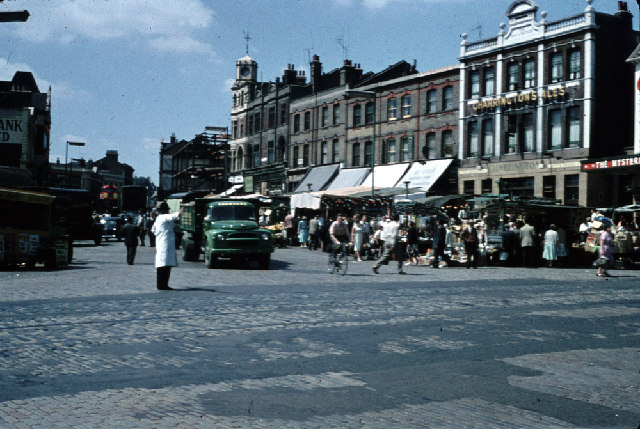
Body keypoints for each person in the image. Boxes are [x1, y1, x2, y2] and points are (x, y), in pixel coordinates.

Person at [151, 202, 182, 290]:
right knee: (165, 266)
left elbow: (153, 230)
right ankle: (163, 285)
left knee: (162, 265)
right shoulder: (163, 217)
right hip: (165, 244)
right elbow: (171, 217)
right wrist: (178, 213)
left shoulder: (158, 218)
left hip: (162, 243)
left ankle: (162, 284)